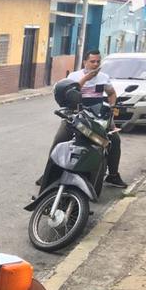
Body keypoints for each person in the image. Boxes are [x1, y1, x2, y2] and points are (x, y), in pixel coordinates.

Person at [39, 49, 127, 188]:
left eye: (98, 61)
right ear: (85, 62)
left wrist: (111, 108)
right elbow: (71, 90)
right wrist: (86, 78)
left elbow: (111, 93)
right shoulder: (74, 76)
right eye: (92, 61)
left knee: (114, 141)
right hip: (76, 116)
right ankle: (49, 173)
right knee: (60, 139)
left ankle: (113, 175)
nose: (95, 64)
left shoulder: (103, 77)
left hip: (97, 117)